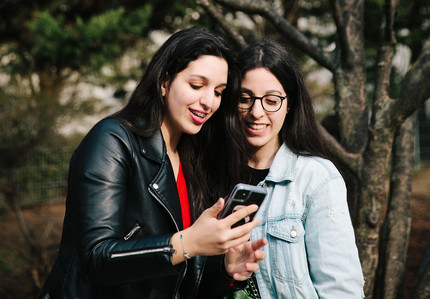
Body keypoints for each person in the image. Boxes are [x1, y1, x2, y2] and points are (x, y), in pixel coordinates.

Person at [39, 27, 266, 299]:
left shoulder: (193, 159)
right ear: (164, 81)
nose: (208, 101)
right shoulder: (113, 141)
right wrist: (187, 242)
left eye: (218, 92)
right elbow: (96, 258)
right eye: (196, 85)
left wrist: (226, 271)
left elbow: (182, 278)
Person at [234, 40, 364, 298]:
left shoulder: (316, 179)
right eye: (244, 99)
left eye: (271, 101)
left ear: (289, 104)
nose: (256, 112)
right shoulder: (212, 173)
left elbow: (340, 290)